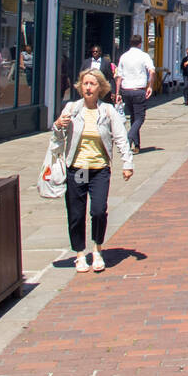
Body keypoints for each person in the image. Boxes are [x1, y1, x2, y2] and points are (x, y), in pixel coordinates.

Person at [53, 69, 133, 273]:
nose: (88, 87)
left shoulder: (107, 111)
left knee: (98, 210)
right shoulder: (71, 108)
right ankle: (80, 254)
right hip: (78, 168)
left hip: (99, 169)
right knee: (76, 213)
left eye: (92, 84)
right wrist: (58, 125)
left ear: (100, 88)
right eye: (85, 84)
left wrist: (127, 163)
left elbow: (121, 137)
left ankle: (97, 249)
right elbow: (57, 136)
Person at [114, 34, 155, 153]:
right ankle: (128, 139)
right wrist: (150, 86)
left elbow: (119, 77)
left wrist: (117, 93)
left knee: (133, 118)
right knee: (140, 118)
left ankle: (136, 145)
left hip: (126, 90)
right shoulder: (144, 56)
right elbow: (151, 72)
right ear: (140, 43)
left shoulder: (124, 56)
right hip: (138, 90)